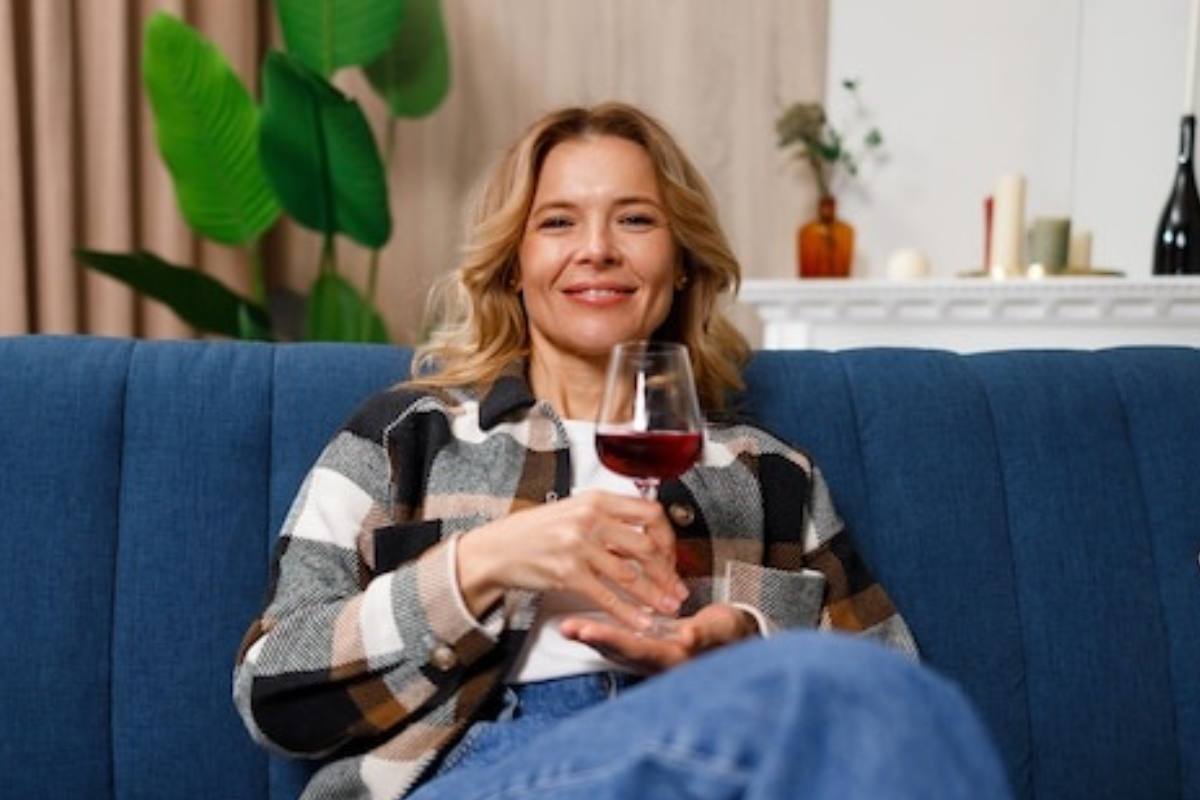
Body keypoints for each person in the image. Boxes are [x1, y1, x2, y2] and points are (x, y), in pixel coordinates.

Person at [233, 102, 1013, 800]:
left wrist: (742, 645)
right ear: (513, 265)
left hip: (705, 753)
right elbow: (271, 696)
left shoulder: (768, 474)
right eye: (558, 222)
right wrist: (482, 565)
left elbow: (889, 695)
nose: (597, 249)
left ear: (682, 262)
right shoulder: (405, 438)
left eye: (635, 220)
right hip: (478, 766)